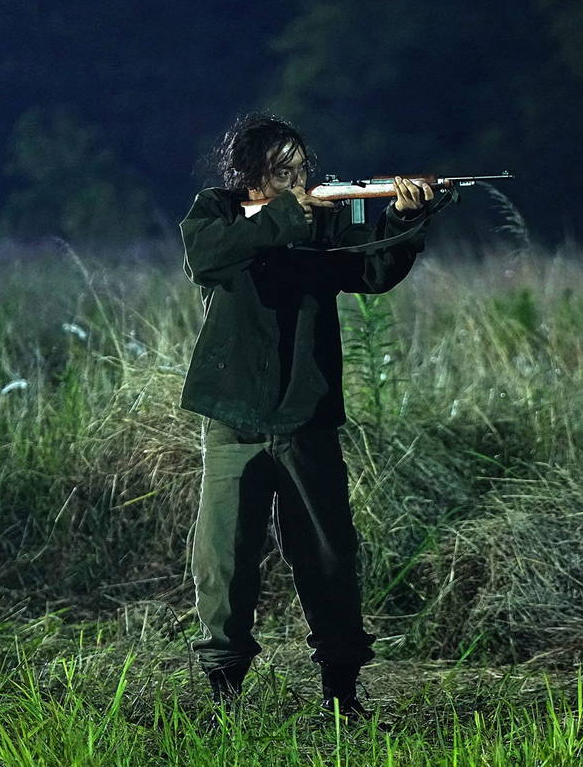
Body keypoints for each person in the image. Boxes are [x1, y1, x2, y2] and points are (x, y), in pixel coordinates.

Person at [178, 112, 436, 722]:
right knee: (223, 559)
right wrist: (288, 215)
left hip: (306, 414)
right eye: (283, 171)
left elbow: (371, 271)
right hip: (233, 413)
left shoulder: (323, 220)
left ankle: (341, 695)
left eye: (302, 170)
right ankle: (222, 694)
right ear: (251, 175)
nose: (299, 181)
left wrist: (403, 218)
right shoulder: (216, 212)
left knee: (328, 556)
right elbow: (207, 258)